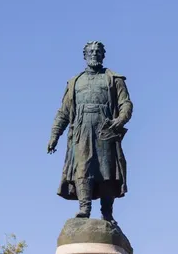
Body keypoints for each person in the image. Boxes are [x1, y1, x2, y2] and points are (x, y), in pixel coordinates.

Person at [47, 41, 133, 224]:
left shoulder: (114, 78)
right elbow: (63, 111)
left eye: (98, 51)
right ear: (84, 55)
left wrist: (120, 120)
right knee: (83, 168)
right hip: (81, 129)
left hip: (105, 129)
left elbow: (126, 103)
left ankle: (107, 213)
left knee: (107, 170)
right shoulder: (74, 82)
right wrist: (55, 135)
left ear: (103, 55)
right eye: (91, 51)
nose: (94, 54)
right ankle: (84, 209)